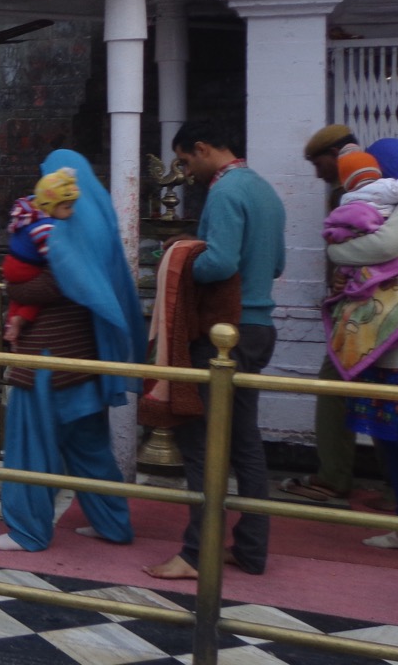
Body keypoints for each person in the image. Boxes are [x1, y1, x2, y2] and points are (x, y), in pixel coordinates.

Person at [0, 150, 143, 553]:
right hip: (82, 357)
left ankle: (27, 531)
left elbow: (48, 284)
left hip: (47, 356)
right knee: (88, 445)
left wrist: (15, 290)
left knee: (29, 443)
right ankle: (112, 524)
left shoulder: (63, 231)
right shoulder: (95, 226)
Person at [145, 121, 285, 579]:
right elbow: (277, 262)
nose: (185, 172)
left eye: (185, 161)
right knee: (245, 442)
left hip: (225, 333)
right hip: (259, 326)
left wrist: (180, 255)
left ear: (203, 148)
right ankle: (251, 548)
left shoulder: (225, 192)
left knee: (201, 440)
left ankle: (195, 553)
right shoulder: (263, 189)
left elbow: (220, 262)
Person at [286, 125, 398, 506]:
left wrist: (339, 257)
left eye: (319, 164)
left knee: (336, 384)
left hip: (377, 317)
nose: (317, 173)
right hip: (367, 309)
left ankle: (334, 479)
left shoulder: (379, 192)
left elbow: (382, 244)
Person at [1, 168, 80, 344]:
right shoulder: (46, 227)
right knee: (35, 298)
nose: (71, 212)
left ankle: (11, 328)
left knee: (17, 296)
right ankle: (19, 320)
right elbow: (53, 256)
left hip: (12, 265)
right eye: (67, 207)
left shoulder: (31, 213)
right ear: (51, 205)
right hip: (25, 267)